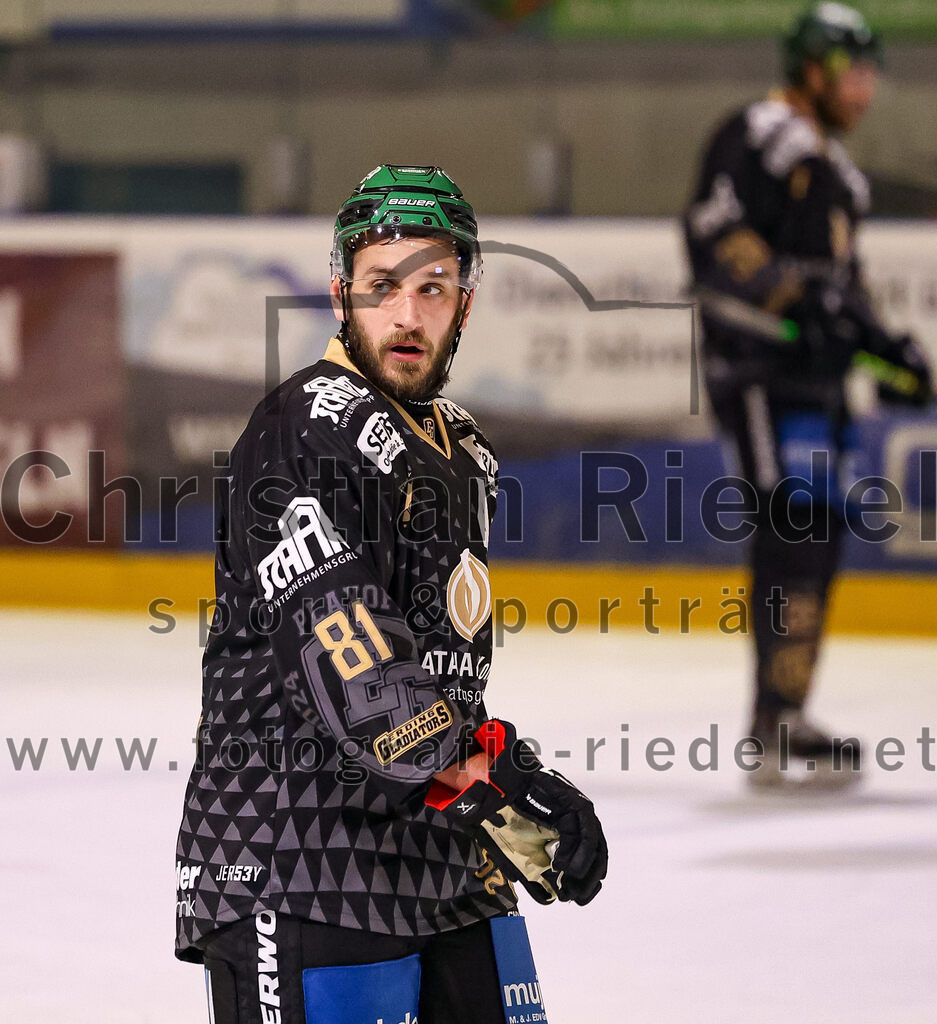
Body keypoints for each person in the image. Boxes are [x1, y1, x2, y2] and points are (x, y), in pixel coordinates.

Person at [174, 163, 607, 1023]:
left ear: (466, 304)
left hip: (439, 850)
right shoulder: (303, 425)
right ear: (340, 292)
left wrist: (494, 768)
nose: (407, 315)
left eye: (434, 287)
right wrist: (495, 780)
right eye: (382, 287)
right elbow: (355, 661)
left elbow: (438, 664)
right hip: (297, 852)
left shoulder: (461, 448)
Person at [683, 4, 933, 787]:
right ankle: (767, 725)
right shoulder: (756, 132)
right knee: (788, 528)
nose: (864, 90)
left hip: (816, 385)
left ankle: (785, 713)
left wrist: (888, 351)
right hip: (758, 371)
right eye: (853, 73)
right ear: (813, 69)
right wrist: (795, 302)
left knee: (818, 537)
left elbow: (842, 292)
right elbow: (713, 231)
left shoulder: (837, 176)